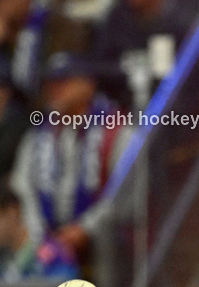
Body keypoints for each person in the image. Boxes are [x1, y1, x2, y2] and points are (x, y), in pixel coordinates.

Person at [9, 52, 132, 266]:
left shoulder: (117, 131)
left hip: (106, 245)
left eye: (63, 82)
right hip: (47, 244)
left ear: (88, 85)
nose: (54, 90)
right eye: (50, 84)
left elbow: (123, 193)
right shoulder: (39, 134)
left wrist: (84, 229)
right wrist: (40, 234)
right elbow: (22, 185)